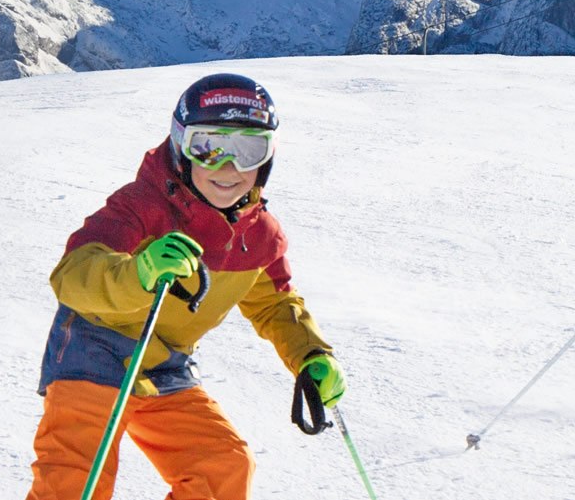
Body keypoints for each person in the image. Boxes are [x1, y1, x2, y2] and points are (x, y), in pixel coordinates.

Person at [26, 73, 344, 500]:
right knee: (75, 480)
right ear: (181, 146)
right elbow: (72, 274)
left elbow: (276, 304)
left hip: (163, 366)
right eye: (207, 147)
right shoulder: (143, 205)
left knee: (223, 468)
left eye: (249, 150)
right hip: (93, 350)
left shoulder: (260, 235)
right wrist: (138, 273)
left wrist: (311, 354)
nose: (228, 169)